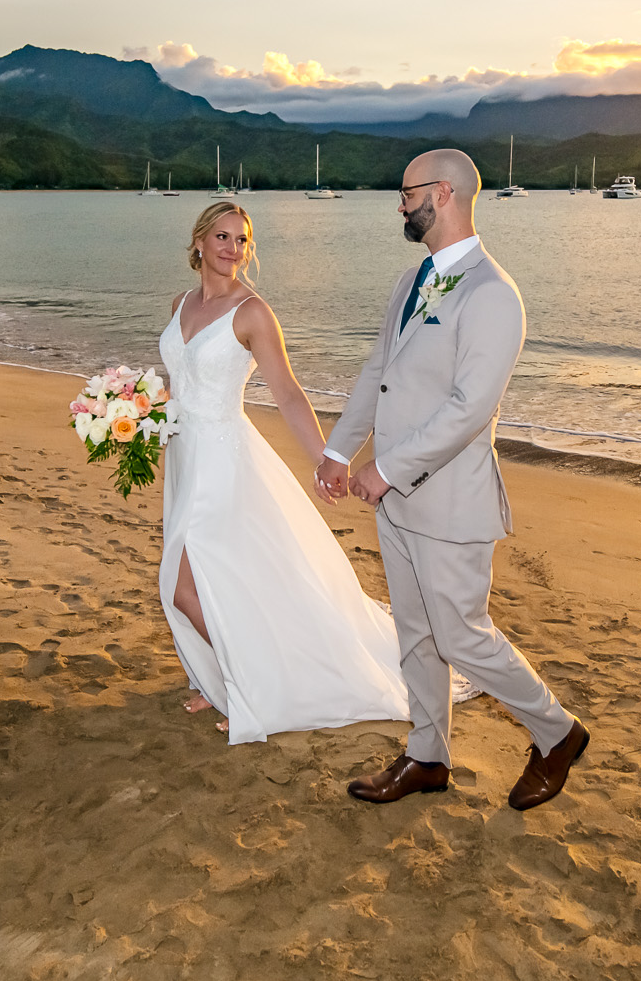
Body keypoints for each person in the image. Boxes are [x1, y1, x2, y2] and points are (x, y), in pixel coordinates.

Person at [315, 149, 590, 811]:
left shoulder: (494, 293)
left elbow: (471, 408)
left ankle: (556, 732)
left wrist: (388, 466)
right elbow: (380, 368)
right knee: (416, 633)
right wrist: (340, 448)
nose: (400, 204)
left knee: (462, 633)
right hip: (396, 499)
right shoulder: (417, 279)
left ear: (443, 192)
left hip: (448, 500)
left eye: (407, 192)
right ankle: (427, 755)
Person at [156, 200, 410, 743]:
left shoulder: (252, 313)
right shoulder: (180, 303)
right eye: (222, 237)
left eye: (242, 240)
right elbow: (176, 380)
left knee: (183, 587)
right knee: (217, 580)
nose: (232, 249)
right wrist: (129, 412)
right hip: (182, 454)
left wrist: (326, 458)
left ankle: (248, 686)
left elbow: (289, 393)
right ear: (199, 242)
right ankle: (219, 678)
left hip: (224, 461)